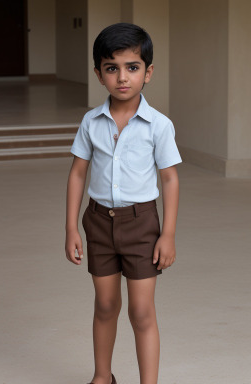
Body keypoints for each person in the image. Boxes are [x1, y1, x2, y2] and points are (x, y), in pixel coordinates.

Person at [65, 23, 182, 384]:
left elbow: (170, 179)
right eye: (111, 68)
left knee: (141, 311)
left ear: (148, 73)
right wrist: (71, 227)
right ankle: (103, 377)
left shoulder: (158, 126)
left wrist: (168, 234)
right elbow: (78, 174)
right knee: (105, 305)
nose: (122, 77)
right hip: (98, 223)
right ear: (99, 73)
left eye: (132, 67)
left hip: (142, 224)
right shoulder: (91, 122)